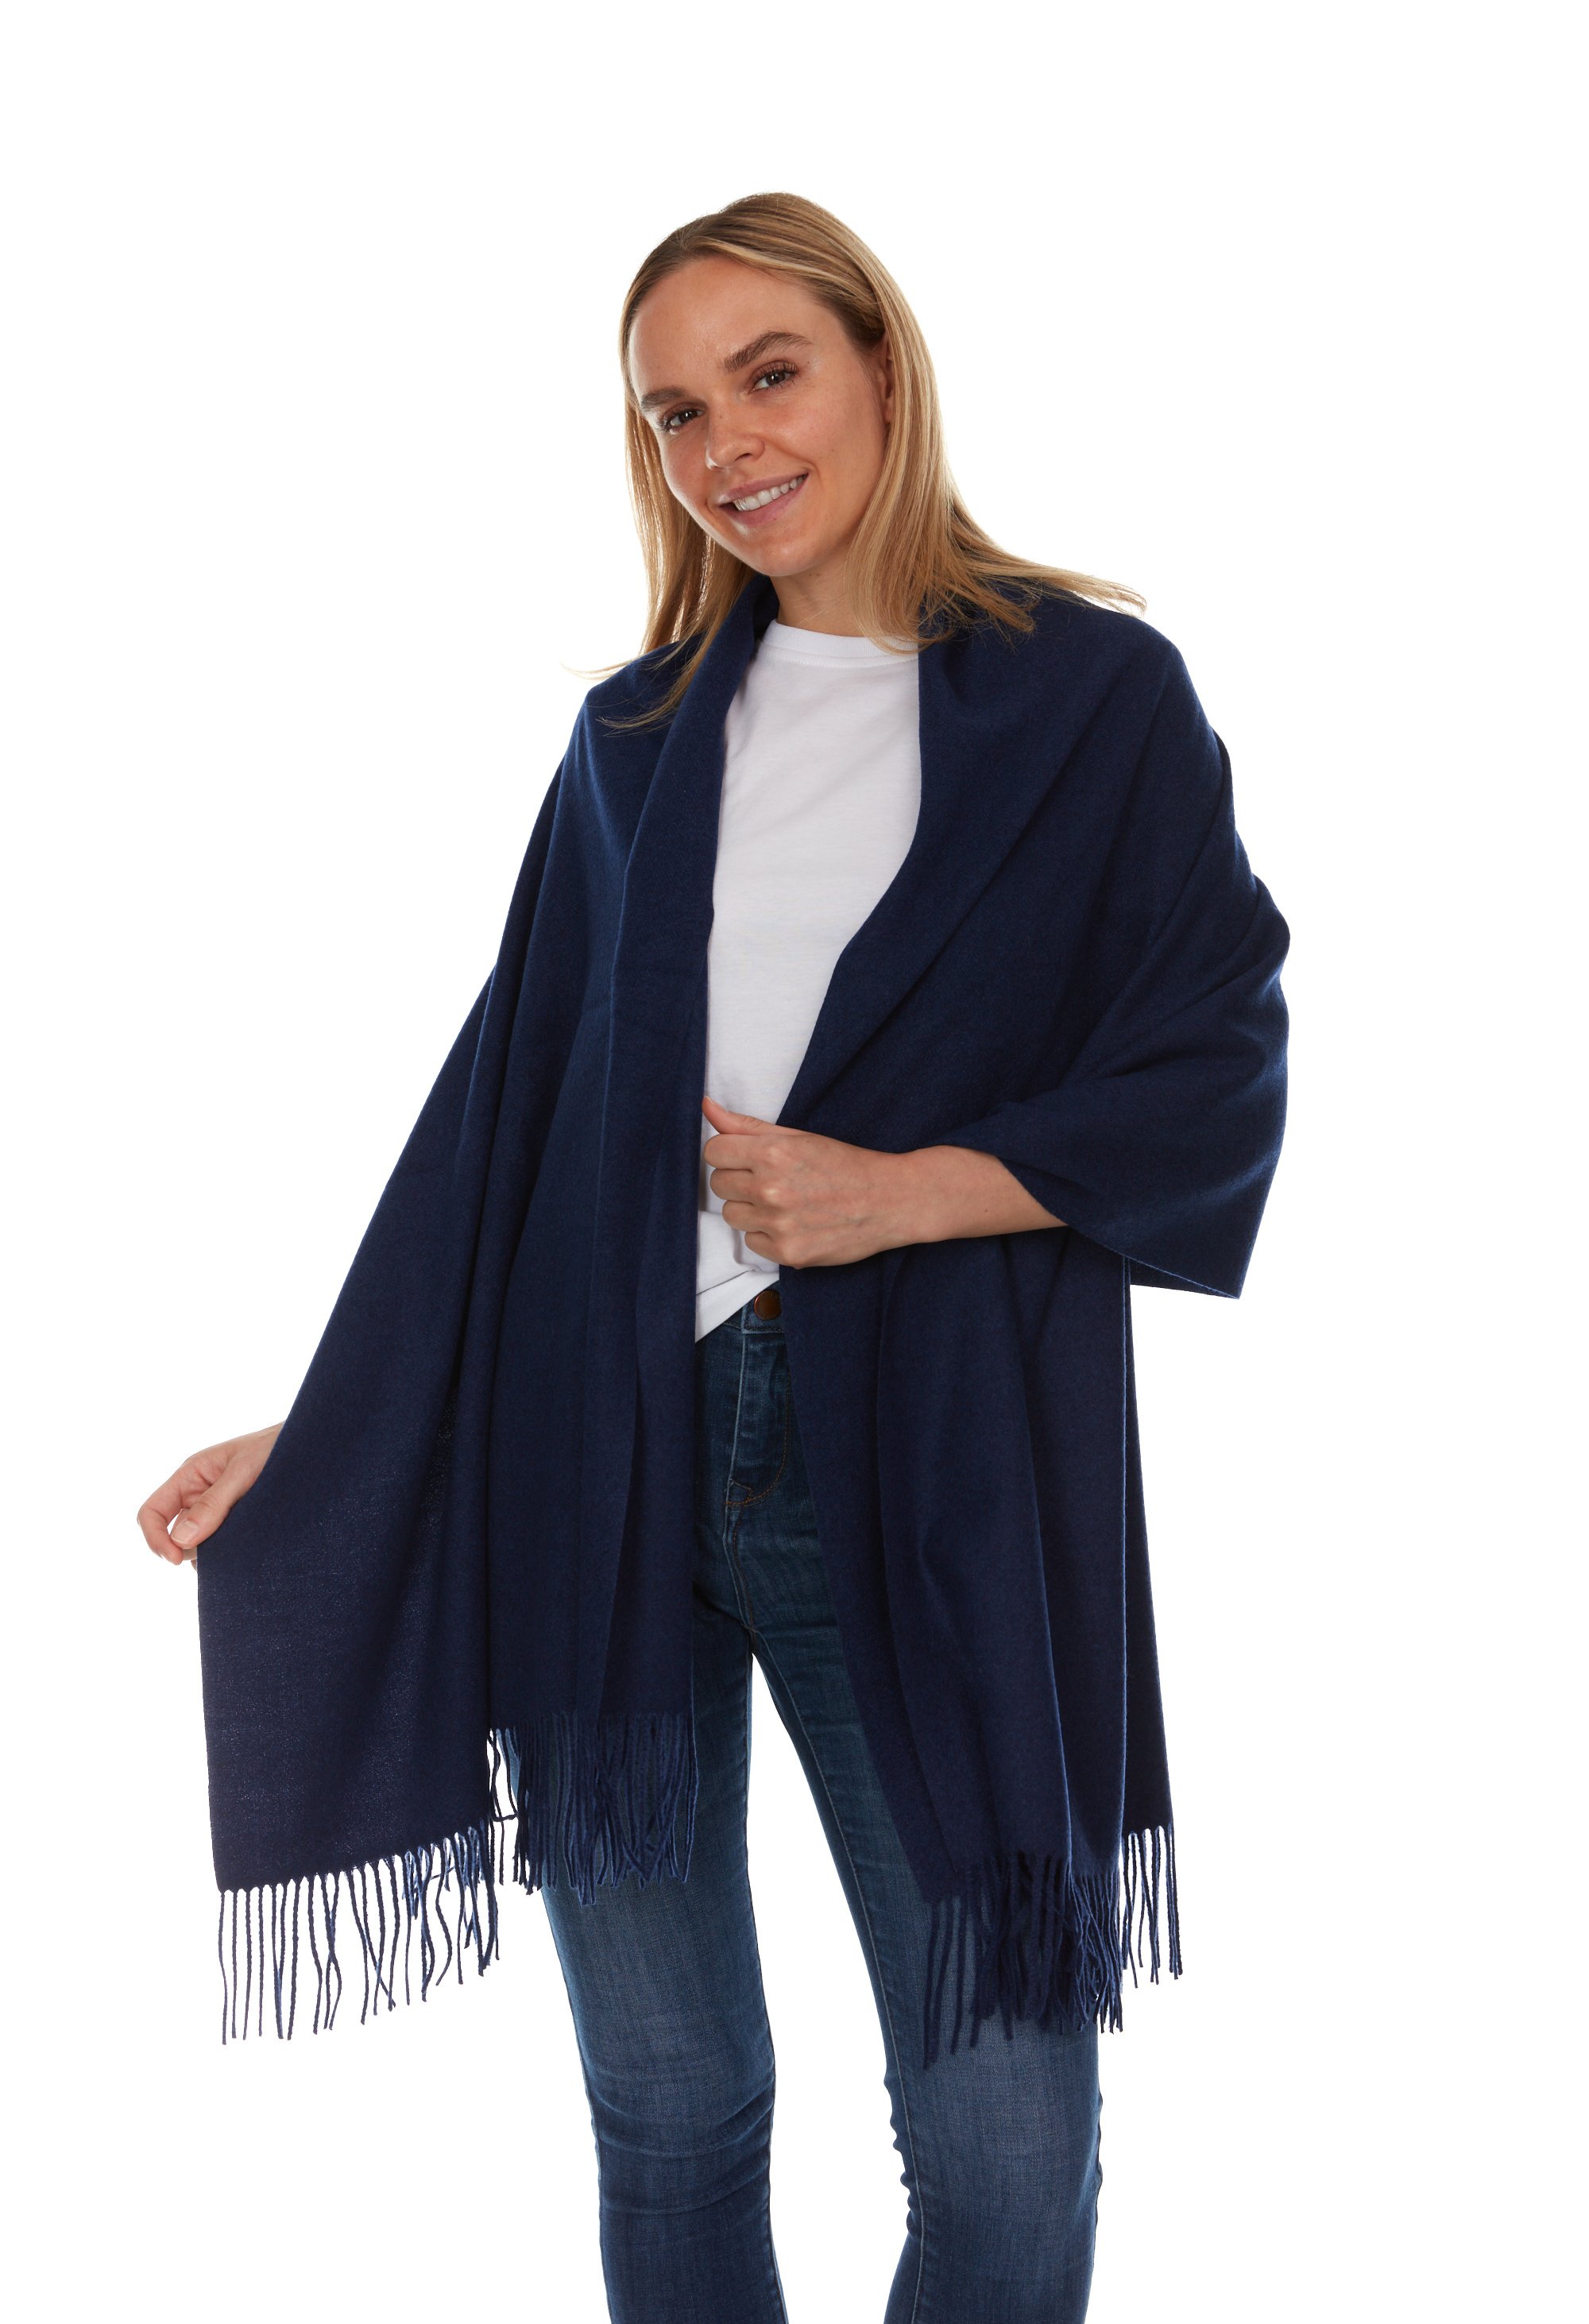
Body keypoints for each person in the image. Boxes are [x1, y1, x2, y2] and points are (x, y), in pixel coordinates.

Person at [139, 192, 1289, 2324]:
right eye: (673, 411)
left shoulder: (1090, 698)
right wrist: (339, 1434)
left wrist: (905, 1191)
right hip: (605, 1467)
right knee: (672, 2109)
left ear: (880, 365)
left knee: (1002, 2126)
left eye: (769, 374)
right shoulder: (636, 738)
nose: (724, 444)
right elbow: (507, 1124)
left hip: (918, 1475)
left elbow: (1214, 1059)